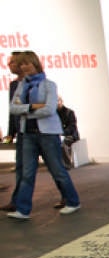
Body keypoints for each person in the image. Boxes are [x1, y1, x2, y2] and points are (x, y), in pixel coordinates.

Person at [7, 50, 80, 220]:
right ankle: (23, 210)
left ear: (35, 63)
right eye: (21, 64)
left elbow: (49, 109)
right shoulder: (21, 86)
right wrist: (32, 107)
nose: (24, 67)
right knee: (27, 174)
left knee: (57, 170)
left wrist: (25, 111)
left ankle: (73, 201)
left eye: (27, 63)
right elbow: (13, 108)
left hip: (47, 134)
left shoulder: (49, 85)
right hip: (27, 134)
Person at [1, 51, 24, 208]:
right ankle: (16, 202)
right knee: (21, 168)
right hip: (22, 133)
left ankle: (69, 197)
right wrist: (10, 133)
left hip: (39, 132)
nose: (9, 65)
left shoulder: (34, 83)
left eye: (12, 62)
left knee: (55, 168)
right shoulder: (13, 84)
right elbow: (12, 110)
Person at [56, 96, 79, 170]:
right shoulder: (54, 114)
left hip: (70, 135)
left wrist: (62, 133)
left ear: (61, 101)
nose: (57, 103)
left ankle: (66, 164)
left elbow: (72, 126)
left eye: (58, 100)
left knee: (63, 144)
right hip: (58, 135)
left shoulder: (69, 112)